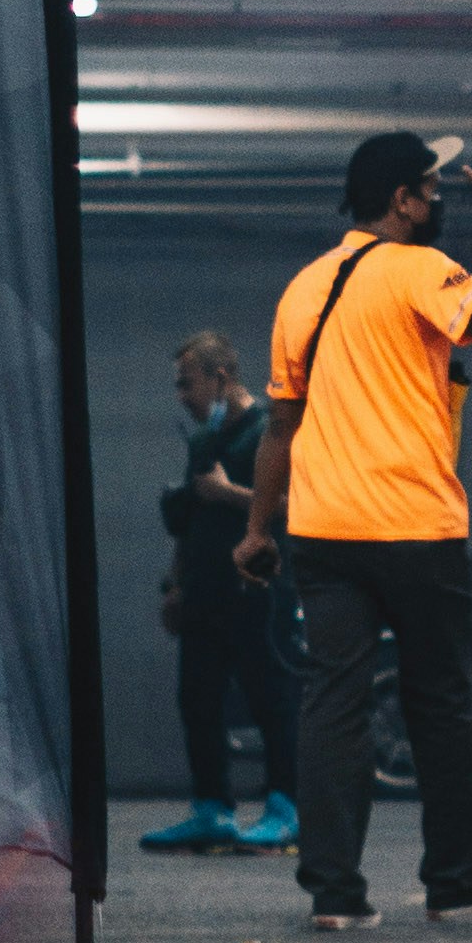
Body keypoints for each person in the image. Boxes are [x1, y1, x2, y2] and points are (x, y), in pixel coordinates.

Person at [237, 133, 472, 935]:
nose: (441, 200)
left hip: (324, 530)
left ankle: (335, 896)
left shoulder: (303, 288)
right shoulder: (415, 271)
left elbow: (280, 424)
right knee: (439, 701)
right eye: (433, 189)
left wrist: (258, 529)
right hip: (413, 525)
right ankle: (456, 879)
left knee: (333, 703)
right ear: (402, 200)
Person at [141, 326, 299, 854]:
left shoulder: (267, 434)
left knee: (270, 699)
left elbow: (295, 511)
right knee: (199, 698)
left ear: (221, 377)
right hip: (204, 593)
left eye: (188, 384)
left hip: (258, 591)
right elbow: (191, 520)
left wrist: (230, 494)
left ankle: (285, 808)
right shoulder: (204, 443)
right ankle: (212, 810)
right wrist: (174, 585)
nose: (182, 397)